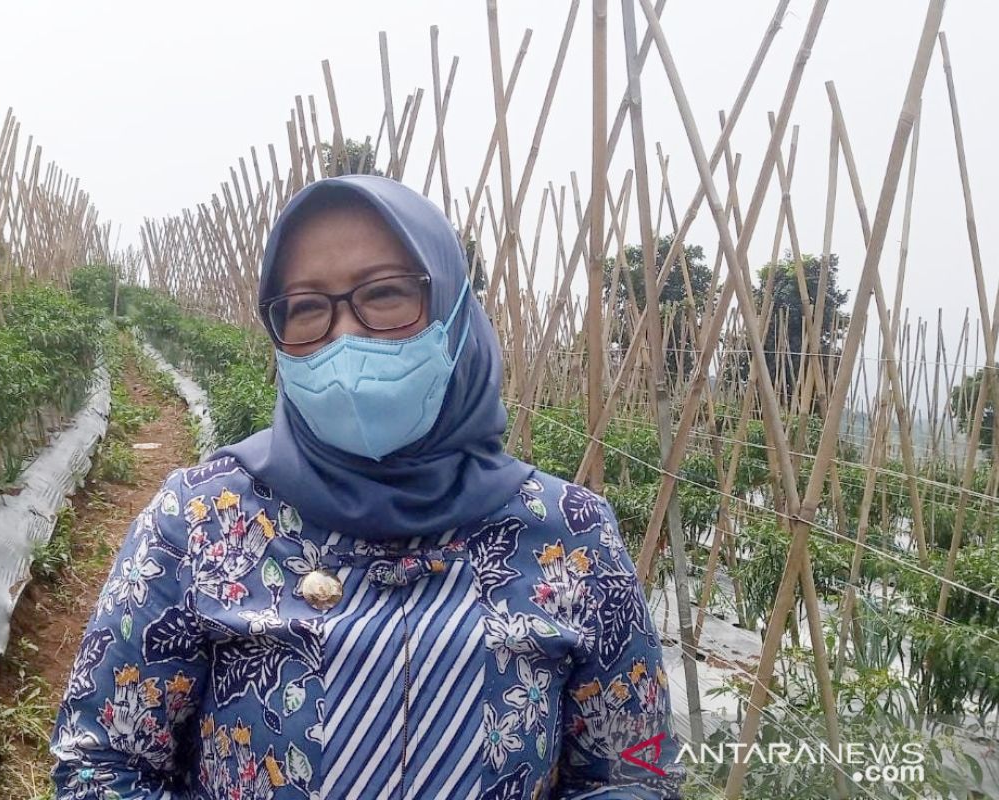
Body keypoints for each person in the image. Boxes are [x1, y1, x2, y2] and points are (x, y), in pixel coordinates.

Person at [49, 175, 685, 799]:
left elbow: (633, 772)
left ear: (455, 311)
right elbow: (101, 764)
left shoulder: (570, 534)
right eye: (306, 309)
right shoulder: (202, 519)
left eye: (383, 296)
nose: (345, 337)